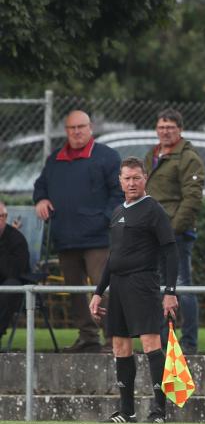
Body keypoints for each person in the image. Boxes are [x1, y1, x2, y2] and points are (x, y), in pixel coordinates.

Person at [88, 157, 179, 423]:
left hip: (143, 284)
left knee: (151, 343)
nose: (131, 183)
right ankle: (126, 412)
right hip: (118, 286)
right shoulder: (117, 212)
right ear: (120, 180)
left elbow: (170, 250)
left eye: (136, 178)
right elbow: (112, 258)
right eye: (127, 178)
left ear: (145, 178)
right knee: (119, 345)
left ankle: (159, 411)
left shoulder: (153, 210)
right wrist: (98, 291)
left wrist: (170, 291)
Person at [34, 110, 124, 352]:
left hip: (98, 240)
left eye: (81, 127)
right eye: (71, 128)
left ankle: (113, 338)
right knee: (75, 292)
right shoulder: (55, 160)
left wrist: (104, 220)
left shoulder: (107, 157)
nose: (76, 132)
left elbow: (119, 193)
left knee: (103, 289)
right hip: (65, 239)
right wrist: (41, 199)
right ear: (66, 130)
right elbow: (40, 186)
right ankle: (87, 336)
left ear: (90, 127)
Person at [144, 108, 205, 355]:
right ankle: (161, 340)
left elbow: (192, 199)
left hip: (175, 234)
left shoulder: (189, 158)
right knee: (157, 285)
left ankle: (189, 341)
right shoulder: (153, 154)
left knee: (182, 284)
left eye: (170, 127)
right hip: (151, 233)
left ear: (180, 129)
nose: (165, 132)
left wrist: (171, 230)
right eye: (161, 127)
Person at [0, 201, 30, 343]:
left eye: (1, 216)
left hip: (12, 282)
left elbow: (13, 271)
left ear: (5, 217)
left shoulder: (17, 239)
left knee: (10, 286)